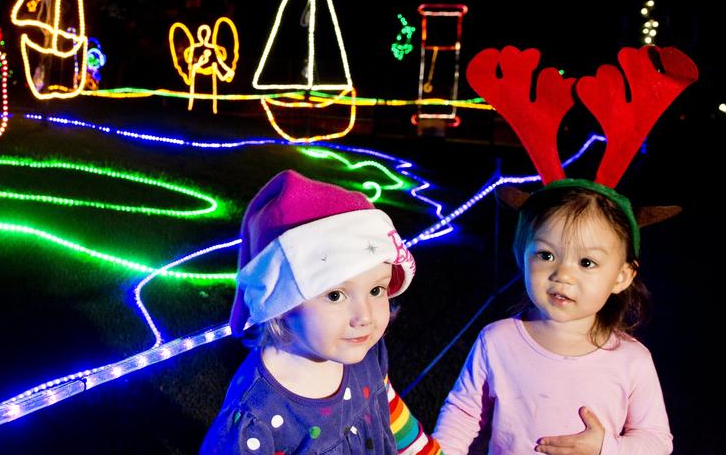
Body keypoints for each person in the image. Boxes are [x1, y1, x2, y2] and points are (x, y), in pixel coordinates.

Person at [200, 170, 440, 454]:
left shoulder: (362, 353)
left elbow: (386, 404)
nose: (364, 317)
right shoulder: (257, 418)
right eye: (335, 295)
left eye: (376, 290)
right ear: (282, 304)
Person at [433, 184, 672, 455]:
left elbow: (656, 441)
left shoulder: (631, 360)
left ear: (622, 276)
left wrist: (605, 447)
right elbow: (463, 413)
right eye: (546, 255)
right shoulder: (497, 341)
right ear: (522, 256)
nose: (563, 275)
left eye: (586, 262)